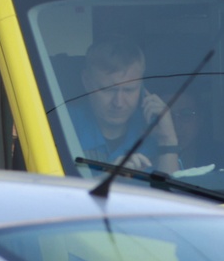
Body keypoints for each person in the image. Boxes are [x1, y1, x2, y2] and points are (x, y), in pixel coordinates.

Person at [68, 39, 180, 175]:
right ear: (86, 81)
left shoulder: (154, 130)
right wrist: (108, 179)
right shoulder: (61, 126)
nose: (119, 103)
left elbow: (173, 193)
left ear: (142, 86)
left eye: (129, 90)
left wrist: (167, 139)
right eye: (108, 90)